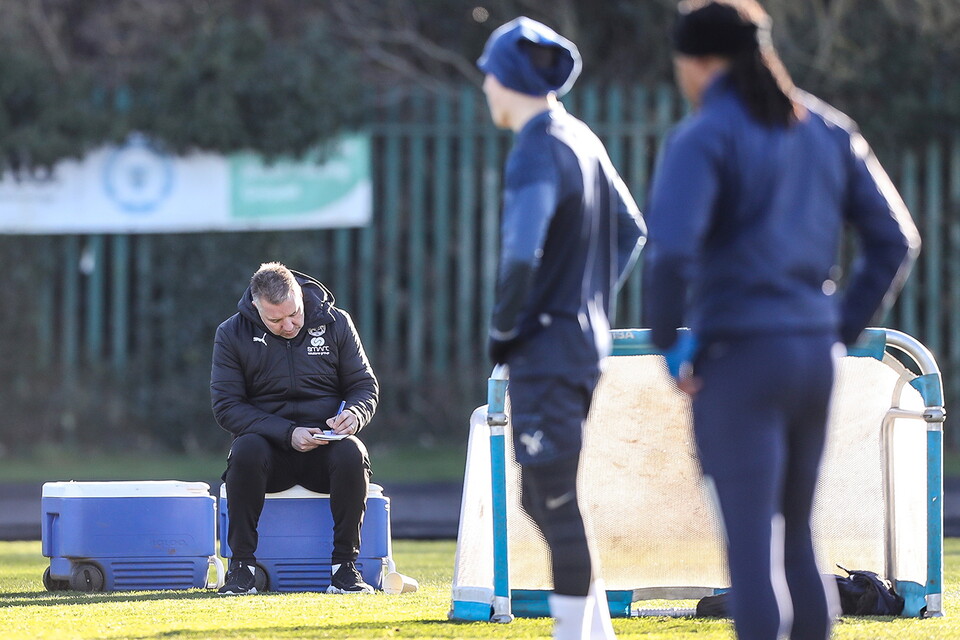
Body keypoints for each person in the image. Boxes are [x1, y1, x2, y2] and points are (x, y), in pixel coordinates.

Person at [642, 2, 921, 639]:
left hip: (740, 358)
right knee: (798, 537)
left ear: (700, 63)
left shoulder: (705, 134)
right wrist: (839, 331)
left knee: (750, 546)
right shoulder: (827, 128)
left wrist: (670, 347)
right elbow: (895, 239)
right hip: (812, 358)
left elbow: (672, 255)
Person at [477, 17, 646, 640]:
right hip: (578, 342)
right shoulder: (582, 136)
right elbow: (632, 230)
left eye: (488, 76)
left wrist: (503, 330)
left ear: (506, 78)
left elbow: (521, 254)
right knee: (546, 498)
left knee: (549, 497)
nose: (486, 90)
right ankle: (593, 631)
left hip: (547, 345)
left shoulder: (536, 146)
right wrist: (591, 303)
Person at [210, 262, 379, 595]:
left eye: (295, 314)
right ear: (257, 306)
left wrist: (355, 415)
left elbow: (363, 385)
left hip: (326, 450)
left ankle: (345, 569)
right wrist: (287, 433)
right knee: (245, 450)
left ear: (300, 297)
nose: (288, 325)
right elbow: (226, 407)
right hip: (268, 455)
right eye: (276, 320)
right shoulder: (231, 333)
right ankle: (241, 569)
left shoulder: (336, 322)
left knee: (352, 451)